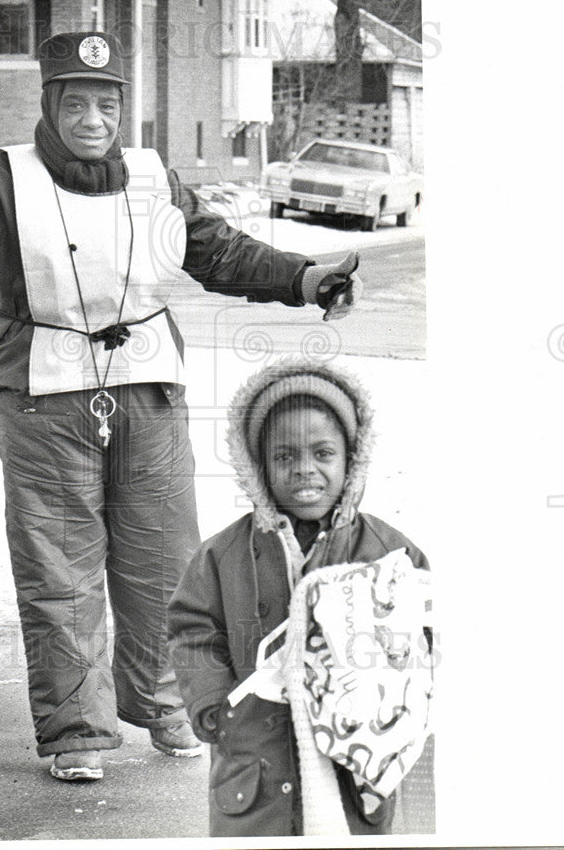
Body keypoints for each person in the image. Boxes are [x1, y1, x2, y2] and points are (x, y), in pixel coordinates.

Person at [0, 31, 361, 783]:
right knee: (59, 567)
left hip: (147, 388)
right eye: (75, 101)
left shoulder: (150, 177)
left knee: (163, 560)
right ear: (49, 104)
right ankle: (76, 732)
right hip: (41, 399)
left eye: (106, 102)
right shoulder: (2, 177)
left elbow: (218, 252)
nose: (92, 117)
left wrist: (302, 278)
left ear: (122, 107)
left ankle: (163, 702)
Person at [167, 356, 432, 836]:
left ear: (352, 458)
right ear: (257, 466)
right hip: (255, 771)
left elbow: (424, 640)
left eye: (323, 453)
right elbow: (192, 631)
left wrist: (391, 715)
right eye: (284, 456)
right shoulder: (222, 555)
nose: (305, 470)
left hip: (354, 769)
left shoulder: (392, 553)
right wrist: (218, 709)